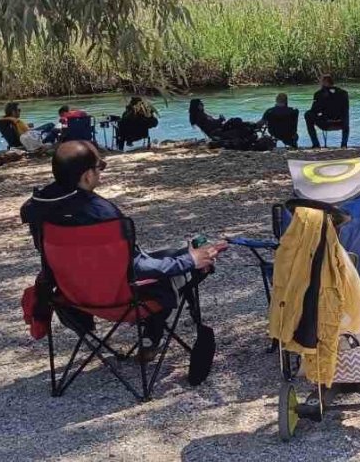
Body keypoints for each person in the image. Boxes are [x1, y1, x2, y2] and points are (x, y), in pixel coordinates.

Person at [20, 141, 222, 353]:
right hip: (122, 300)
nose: (101, 173)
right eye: (100, 167)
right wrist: (190, 260)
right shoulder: (102, 215)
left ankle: (150, 338)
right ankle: (152, 333)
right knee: (187, 265)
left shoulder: (38, 209)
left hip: (72, 297)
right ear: (87, 175)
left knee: (172, 254)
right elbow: (138, 267)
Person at [304, 75, 349, 148]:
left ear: (325, 82)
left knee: (307, 114)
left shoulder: (318, 94)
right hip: (340, 123)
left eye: (321, 81)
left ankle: (316, 144)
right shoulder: (344, 93)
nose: (320, 83)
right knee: (346, 115)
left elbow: (314, 110)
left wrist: (320, 112)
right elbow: (345, 111)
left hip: (325, 123)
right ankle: (344, 144)